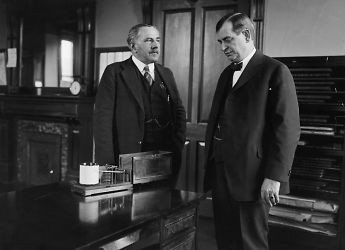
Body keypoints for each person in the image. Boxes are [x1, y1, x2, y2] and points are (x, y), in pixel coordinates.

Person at [203, 13, 300, 250]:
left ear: (246, 34)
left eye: (227, 40)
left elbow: (287, 128)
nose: (223, 47)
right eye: (220, 43)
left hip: (253, 177)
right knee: (225, 240)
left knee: (250, 243)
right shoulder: (227, 73)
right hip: (221, 173)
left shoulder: (275, 70)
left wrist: (274, 177)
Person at [94, 24, 186, 184]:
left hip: (163, 159)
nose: (156, 45)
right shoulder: (114, 73)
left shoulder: (166, 73)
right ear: (133, 46)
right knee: (128, 207)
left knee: (163, 204)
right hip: (127, 159)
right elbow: (102, 121)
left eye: (157, 40)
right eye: (149, 40)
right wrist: (106, 165)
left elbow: (179, 111)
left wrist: (176, 146)